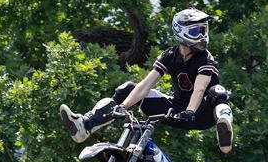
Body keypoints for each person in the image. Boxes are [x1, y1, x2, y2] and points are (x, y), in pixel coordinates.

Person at [59, 8, 234, 153]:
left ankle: (224, 133)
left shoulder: (205, 59)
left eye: (204, 30)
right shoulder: (169, 55)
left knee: (217, 91)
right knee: (128, 88)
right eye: (197, 31)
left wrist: (189, 111)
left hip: (203, 113)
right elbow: (145, 85)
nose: (203, 36)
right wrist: (123, 107)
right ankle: (84, 126)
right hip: (176, 111)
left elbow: (200, 89)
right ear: (181, 32)